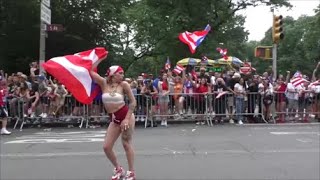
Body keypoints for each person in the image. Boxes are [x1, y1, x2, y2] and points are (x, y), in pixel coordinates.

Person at [90, 63, 137, 180]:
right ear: (112, 74)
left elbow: (133, 102)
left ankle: (131, 172)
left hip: (126, 116)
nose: (123, 75)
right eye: (120, 73)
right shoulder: (103, 83)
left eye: (123, 73)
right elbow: (90, 72)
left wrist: (126, 119)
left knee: (126, 144)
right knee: (106, 147)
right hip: (114, 119)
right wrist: (100, 58)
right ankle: (118, 169)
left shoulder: (124, 84)